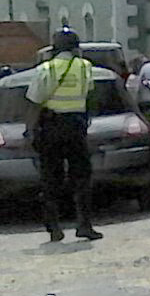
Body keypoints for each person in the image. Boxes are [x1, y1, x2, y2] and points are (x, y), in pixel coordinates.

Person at [24, 28, 102, 241]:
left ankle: (54, 228)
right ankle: (84, 224)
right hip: (76, 127)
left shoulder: (46, 69)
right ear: (76, 48)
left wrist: (29, 130)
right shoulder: (85, 67)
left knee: (51, 178)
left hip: (51, 127)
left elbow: (34, 102)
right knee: (82, 177)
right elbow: (89, 96)